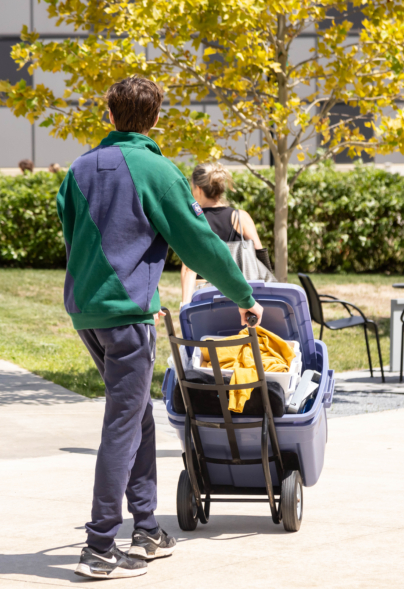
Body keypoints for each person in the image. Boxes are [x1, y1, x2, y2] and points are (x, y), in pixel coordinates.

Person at [57, 76, 263, 580]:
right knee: (123, 421)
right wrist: (243, 295)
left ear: (108, 115)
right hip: (127, 314)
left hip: (87, 312)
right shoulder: (158, 170)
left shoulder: (78, 170)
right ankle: (101, 544)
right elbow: (198, 243)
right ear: (155, 119)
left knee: (136, 415)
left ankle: (146, 527)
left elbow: (71, 233)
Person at [181, 162, 273, 303]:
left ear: (198, 189)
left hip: (208, 298)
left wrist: (185, 305)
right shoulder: (240, 217)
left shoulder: (194, 221)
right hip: (242, 295)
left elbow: (189, 269)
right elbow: (260, 256)